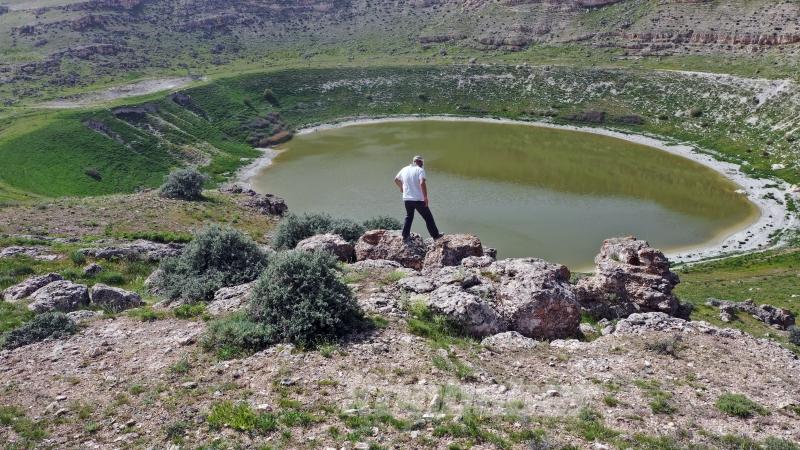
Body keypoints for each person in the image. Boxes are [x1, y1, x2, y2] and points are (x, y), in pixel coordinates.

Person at [394, 155, 443, 241]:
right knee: (428, 217)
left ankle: (405, 236)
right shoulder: (420, 170)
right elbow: (422, 183)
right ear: (420, 162)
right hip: (418, 199)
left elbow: (396, 179)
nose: (422, 164)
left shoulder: (404, 169)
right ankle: (435, 236)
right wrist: (425, 197)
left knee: (409, 216)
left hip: (407, 199)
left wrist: (401, 188)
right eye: (422, 162)